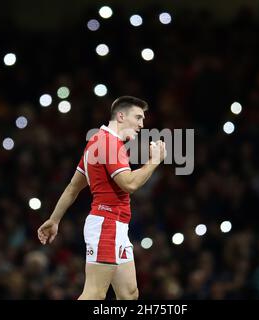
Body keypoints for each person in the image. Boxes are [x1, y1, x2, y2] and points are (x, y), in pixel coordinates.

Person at [37, 96, 167, 300]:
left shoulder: (97, 141)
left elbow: (73, 188)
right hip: (107, 224)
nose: (142, 124)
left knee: (129, 294)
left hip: (116, 226)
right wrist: (154, 161)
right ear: (121, 116)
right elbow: (130, 184)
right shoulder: (109, 144)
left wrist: (54, 220)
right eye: (138, 117)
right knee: (94, 294)